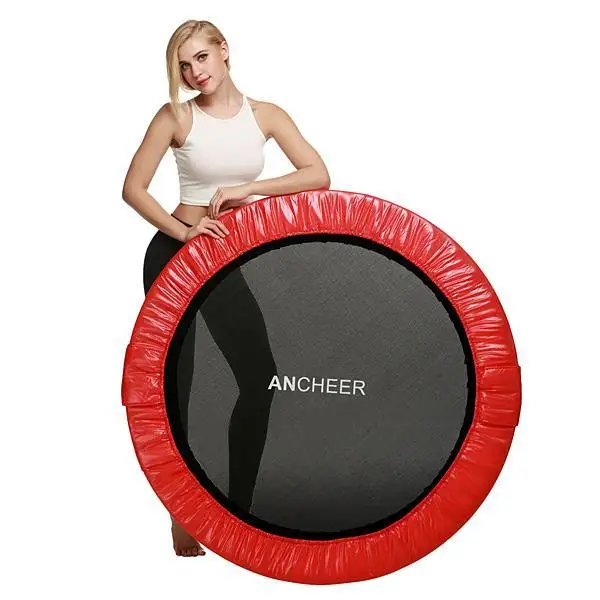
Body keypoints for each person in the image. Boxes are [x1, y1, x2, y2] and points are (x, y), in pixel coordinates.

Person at [121, 19, 331, 558]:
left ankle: (237, 509)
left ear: (224, 51)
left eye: (201, 57)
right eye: (184, 66)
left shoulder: (265, 115)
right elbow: (133, 188)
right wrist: (184, 233)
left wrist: (250, 189)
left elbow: (317, 174)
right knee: (179, 384)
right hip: (176, 255)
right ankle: (182, 513)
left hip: (228, 259)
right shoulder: (176, 116)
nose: (195, 72)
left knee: (260, 377)